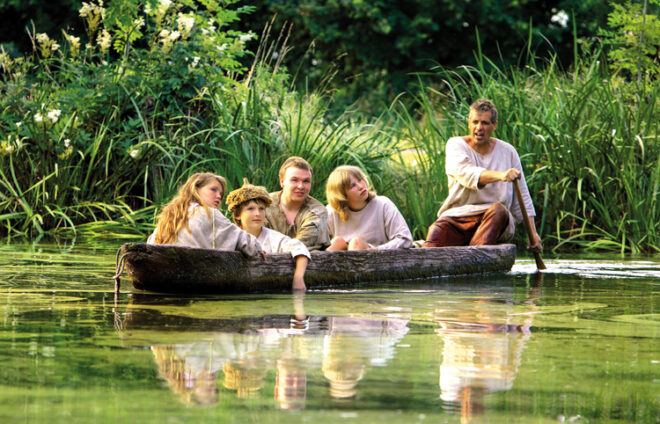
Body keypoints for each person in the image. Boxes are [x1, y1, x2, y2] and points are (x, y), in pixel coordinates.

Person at [423, 99, 542, 251]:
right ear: (468, 124)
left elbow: (522, 198)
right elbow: (468, 175)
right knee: (436, 232)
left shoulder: (508, 152)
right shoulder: (455, 145)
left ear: (494, 126)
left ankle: (474, 257)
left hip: (494, 218)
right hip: (458, 217)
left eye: (485, 123)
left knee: (498, 211)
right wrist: (502, 175)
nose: (479, 128)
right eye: (475, 122)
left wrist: (533, 234)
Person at [147, 172, 262, 258]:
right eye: (213, 190)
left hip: (164, 263)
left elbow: (151, 243)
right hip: (192, 267)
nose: (218, 196)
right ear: (196, 189)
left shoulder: (171, 213)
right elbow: (245, 241)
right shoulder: (209, 213)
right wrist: (258, 248)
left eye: (221, 194)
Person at [226, 180, 311, 291]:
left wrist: (298, 278)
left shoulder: (272, 237)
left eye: (261, 209)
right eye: (250, 209)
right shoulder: (230, 235)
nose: (257, 213)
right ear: (237, 215)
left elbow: (299, 248)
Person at [325, 165, 413, 250]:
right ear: (342, 195)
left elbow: (405, 239)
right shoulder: (330, 212)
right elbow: (315, 246)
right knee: (337, 242)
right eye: (353, 186)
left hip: (377, 261)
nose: (361, 186)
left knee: (356, 243)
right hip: (339, 262)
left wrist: (376, 250)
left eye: (360, 180)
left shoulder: (383, 204)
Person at [265, 157, 330, 251]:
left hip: (309, 263)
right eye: (294, 180)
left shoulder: (317, 210)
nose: (300, 186)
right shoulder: (264, 204)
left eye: (306, 181)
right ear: (282, 181)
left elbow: (300, 245)